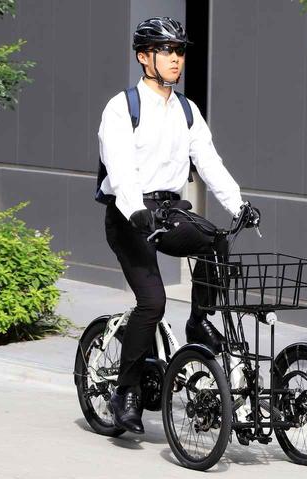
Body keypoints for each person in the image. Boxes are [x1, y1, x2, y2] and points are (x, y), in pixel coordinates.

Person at [97, 16, 257, 435]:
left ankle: (198, 320)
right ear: (143, 57)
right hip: (129, 214)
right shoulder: (122, 107)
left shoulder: (187, 110)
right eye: (166, 50)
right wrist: (135, 209)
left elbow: (209, 162)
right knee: (152, 302)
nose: (175, 59)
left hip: (169, 211)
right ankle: (126, 392)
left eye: (180, 51)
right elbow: (120, 168)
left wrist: (238, 204)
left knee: (215, 242)